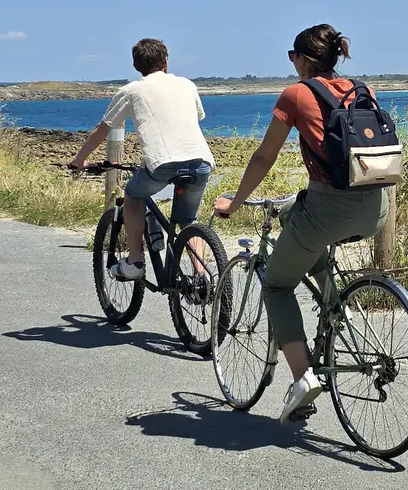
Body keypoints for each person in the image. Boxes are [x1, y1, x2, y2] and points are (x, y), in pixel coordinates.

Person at [214, 23, 388, 426]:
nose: (291, 64)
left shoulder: (295, 94)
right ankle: (335, 306)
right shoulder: (363, 90)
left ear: (304, 59)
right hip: (374, 209)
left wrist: (235, 201)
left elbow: (263, 157)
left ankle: (303, 377)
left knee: (276, 284)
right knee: (298, 218)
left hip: (329, 210)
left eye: (292, 57)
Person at [68, 38, 214, 281]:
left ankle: (135, 261)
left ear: (136, 65)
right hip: (200, 161)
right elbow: (196, 116)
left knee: (133, 195)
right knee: (188, 220)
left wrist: (79, 160)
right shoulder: (187, 85)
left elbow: (102, 130)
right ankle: (202, 276)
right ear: (166, 61)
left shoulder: (131, 90)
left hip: (162, 164)